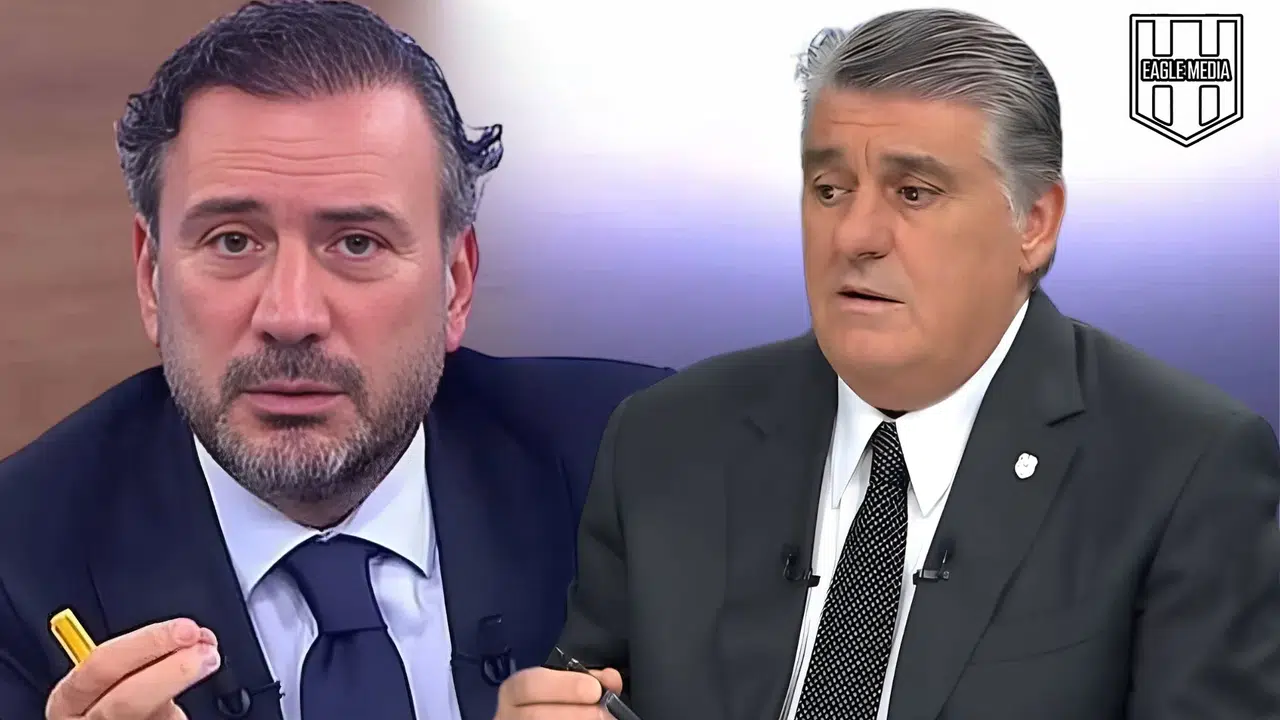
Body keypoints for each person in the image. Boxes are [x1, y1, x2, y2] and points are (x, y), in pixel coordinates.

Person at [495, 8, 1280, 720]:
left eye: (912, 193)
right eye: (829, 188)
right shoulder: (666, 440)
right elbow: (592, 689)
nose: (854, 235)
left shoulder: (1185, 471)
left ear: (1034, 222)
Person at [0, 2, 672, 720]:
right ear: (151, 277)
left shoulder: (655, 469)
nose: (291, 316)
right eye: (233, 241)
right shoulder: (18, 569)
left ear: (455, 283)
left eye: (357, 243)